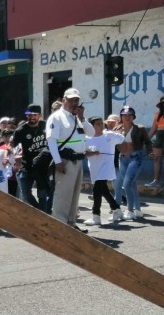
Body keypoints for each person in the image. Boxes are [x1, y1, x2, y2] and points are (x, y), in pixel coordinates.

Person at [46, 88, 94, 230]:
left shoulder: (76, 118)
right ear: (63, 100)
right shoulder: (56, 117)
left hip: (78, 160)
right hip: (65, 160)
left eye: (77, 100)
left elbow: (91, 133)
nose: (74, 103)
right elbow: (51, 140)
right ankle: (60, 224)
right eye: (72, 100)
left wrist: (82, 118)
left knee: (74, 194)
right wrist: (57, 161)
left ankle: (71, 223)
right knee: (63, 194)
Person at [83, 116, 124, 226]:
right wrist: (92, 153)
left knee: (97, 190)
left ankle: (96, 216)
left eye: (102, 124)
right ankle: (117, 209)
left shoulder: (109, 135)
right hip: (94, 167)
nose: (101, 126)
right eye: (98, 124)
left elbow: (122, 138)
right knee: (104, 190)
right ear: (91, 126)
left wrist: (117, 130)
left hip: (106, 167)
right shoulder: (86, 138)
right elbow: (83, 152)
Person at [114, 105, 152, 220]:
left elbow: (148, 142)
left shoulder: (139, 128)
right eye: (124, 115)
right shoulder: (117, 129)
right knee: (132, 184)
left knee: (126, 184)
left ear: (133, 116)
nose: (127, 117)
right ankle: (138, 210)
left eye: (130, 115)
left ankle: (130, 210)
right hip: (122, 159)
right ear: (121, 116)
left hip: (136, 158)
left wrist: (150, 151)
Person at [11, 104, 51, 212]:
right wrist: (18, 163)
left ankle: (44, 214)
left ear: (40, 115)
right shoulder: (20, 130)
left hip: (44, 166)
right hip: (27, 165)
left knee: (43, 193)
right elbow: (17, 149)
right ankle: (38, 209)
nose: (32, 117)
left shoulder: (46, 126)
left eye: (34, 115)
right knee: (25, 193)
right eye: (29, 115)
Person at [146, 96, 164, 187]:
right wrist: (146, 139)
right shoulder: (158, 114)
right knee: (157, 159)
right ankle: (156, 181)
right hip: (159, 138)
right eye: (162, 104)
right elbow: (153, 128)